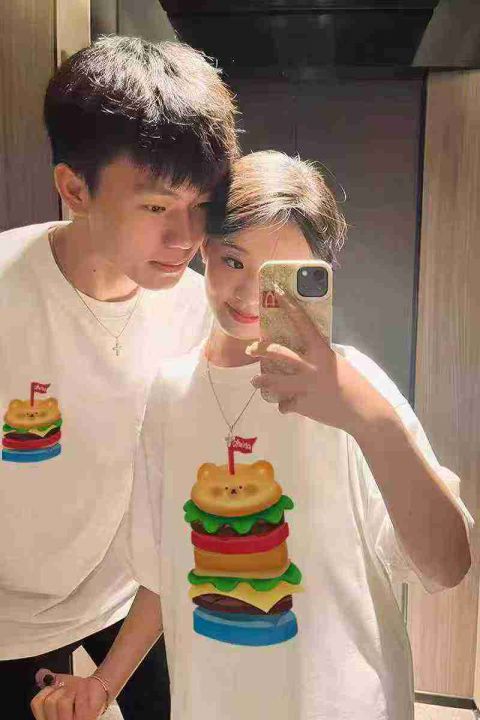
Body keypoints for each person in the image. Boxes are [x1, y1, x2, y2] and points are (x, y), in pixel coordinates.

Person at [33, 150, 473, 720]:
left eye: (278, 276)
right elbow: (167, 571)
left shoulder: (355, 386)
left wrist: (370, 420)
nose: (247, 295)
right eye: (234, 260)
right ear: (204, 250)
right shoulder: (170, 393)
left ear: (318, 278)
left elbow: (447, 566)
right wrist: (103, 684)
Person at [0, 34, 238, 720]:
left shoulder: (198, 311)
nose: (186, 238)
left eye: (201, 205)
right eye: (157, 207)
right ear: (75, 188)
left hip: (128, 593)